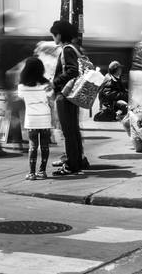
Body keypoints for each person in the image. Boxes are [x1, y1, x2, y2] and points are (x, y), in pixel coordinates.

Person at [50, 19, 84, 175]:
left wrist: (54, 82)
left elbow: (72, 71)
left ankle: (71, 165)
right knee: (73, 129)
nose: (53, 38)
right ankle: (77, 160)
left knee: (68, 131)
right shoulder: (76, 48)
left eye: (54, 35)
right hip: (72, 95)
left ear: (59, 35)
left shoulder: (67, 50)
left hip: (65, 94)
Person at [17, 57, 53, 180]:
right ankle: (42, 171)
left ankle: (31, 173)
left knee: (33, 146)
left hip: (31, 119)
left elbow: (20, 96)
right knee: (44, 146)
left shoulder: (22, 86)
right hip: (45, 118)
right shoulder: (46, 84)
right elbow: (51, 96)